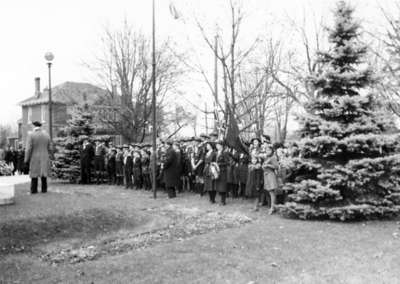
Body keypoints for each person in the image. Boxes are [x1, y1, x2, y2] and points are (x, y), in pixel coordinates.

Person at [24, 121, 51, 194]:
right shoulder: (46, 135)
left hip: (35, 157)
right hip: (45, 157)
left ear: (34, 126)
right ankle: (44, 190)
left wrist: (26, 159)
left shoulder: (31, 135)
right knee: (43, 174)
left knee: (34, 174)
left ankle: (33, 190)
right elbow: (49, 148)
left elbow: (28, 149)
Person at [262, 145, 280, 214]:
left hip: (271, 175)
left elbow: (277, 167)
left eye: (269, 150)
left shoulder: (273, 158)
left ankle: (272, 208)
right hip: (266, 175)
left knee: (272, 192)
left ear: (272, 151)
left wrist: (268, 165)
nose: (267, 151)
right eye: (266, 150)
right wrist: (263, 166)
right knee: (270, 192)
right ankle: (273, 207)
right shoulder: (266, 157)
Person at [215, 140, 229, 205]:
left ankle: (223, 201)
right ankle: (221, 200)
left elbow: (227, 162)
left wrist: (219, 164)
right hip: (217, 171)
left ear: (221, 146)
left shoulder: (225, 152)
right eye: (216, 145)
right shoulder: (217, 152)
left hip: (223, 171)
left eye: (218, 145)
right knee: (219, 186)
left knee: (223, 186)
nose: (217, 146)